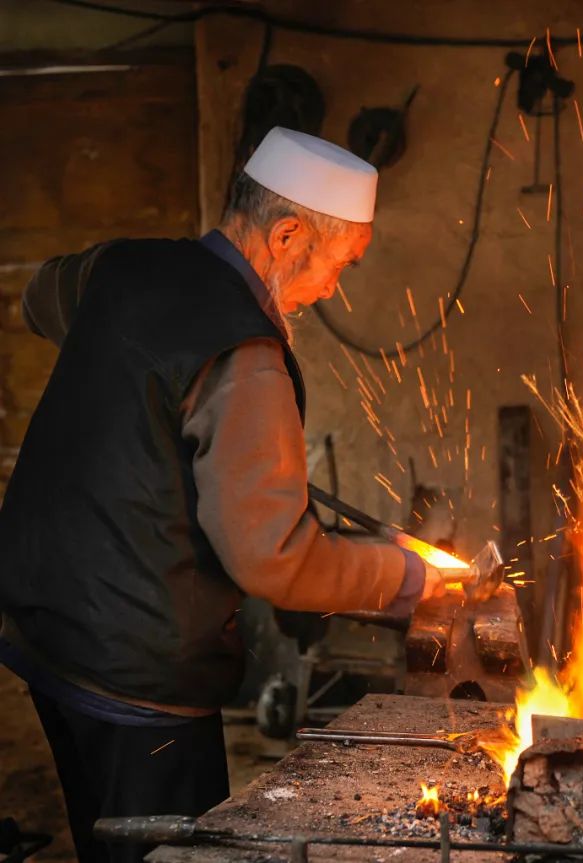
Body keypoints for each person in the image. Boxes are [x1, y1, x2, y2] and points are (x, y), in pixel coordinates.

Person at [0, 126, 448, 862]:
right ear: (287, 234)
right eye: (340, 264)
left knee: (100, 837)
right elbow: (275, 561)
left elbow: (38, 298)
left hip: (43, 628)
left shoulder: (123, 265)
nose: (332, 287)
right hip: (140, 676)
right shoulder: (245, 354)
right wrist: (407, 576)